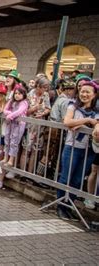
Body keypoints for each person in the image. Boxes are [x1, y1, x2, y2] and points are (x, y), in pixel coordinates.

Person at [57, 81, 98, 220]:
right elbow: (67, 122)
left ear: (94, 95)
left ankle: (70, 205)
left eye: (88, 92)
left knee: (77, 180)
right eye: (82, 91)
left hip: (89, 150)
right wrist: (87, 120)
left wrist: (81, 124)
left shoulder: (96, 111)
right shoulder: (72, 106)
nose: (84, 94)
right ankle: (61, 206)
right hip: (72, 147)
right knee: (66, 177)